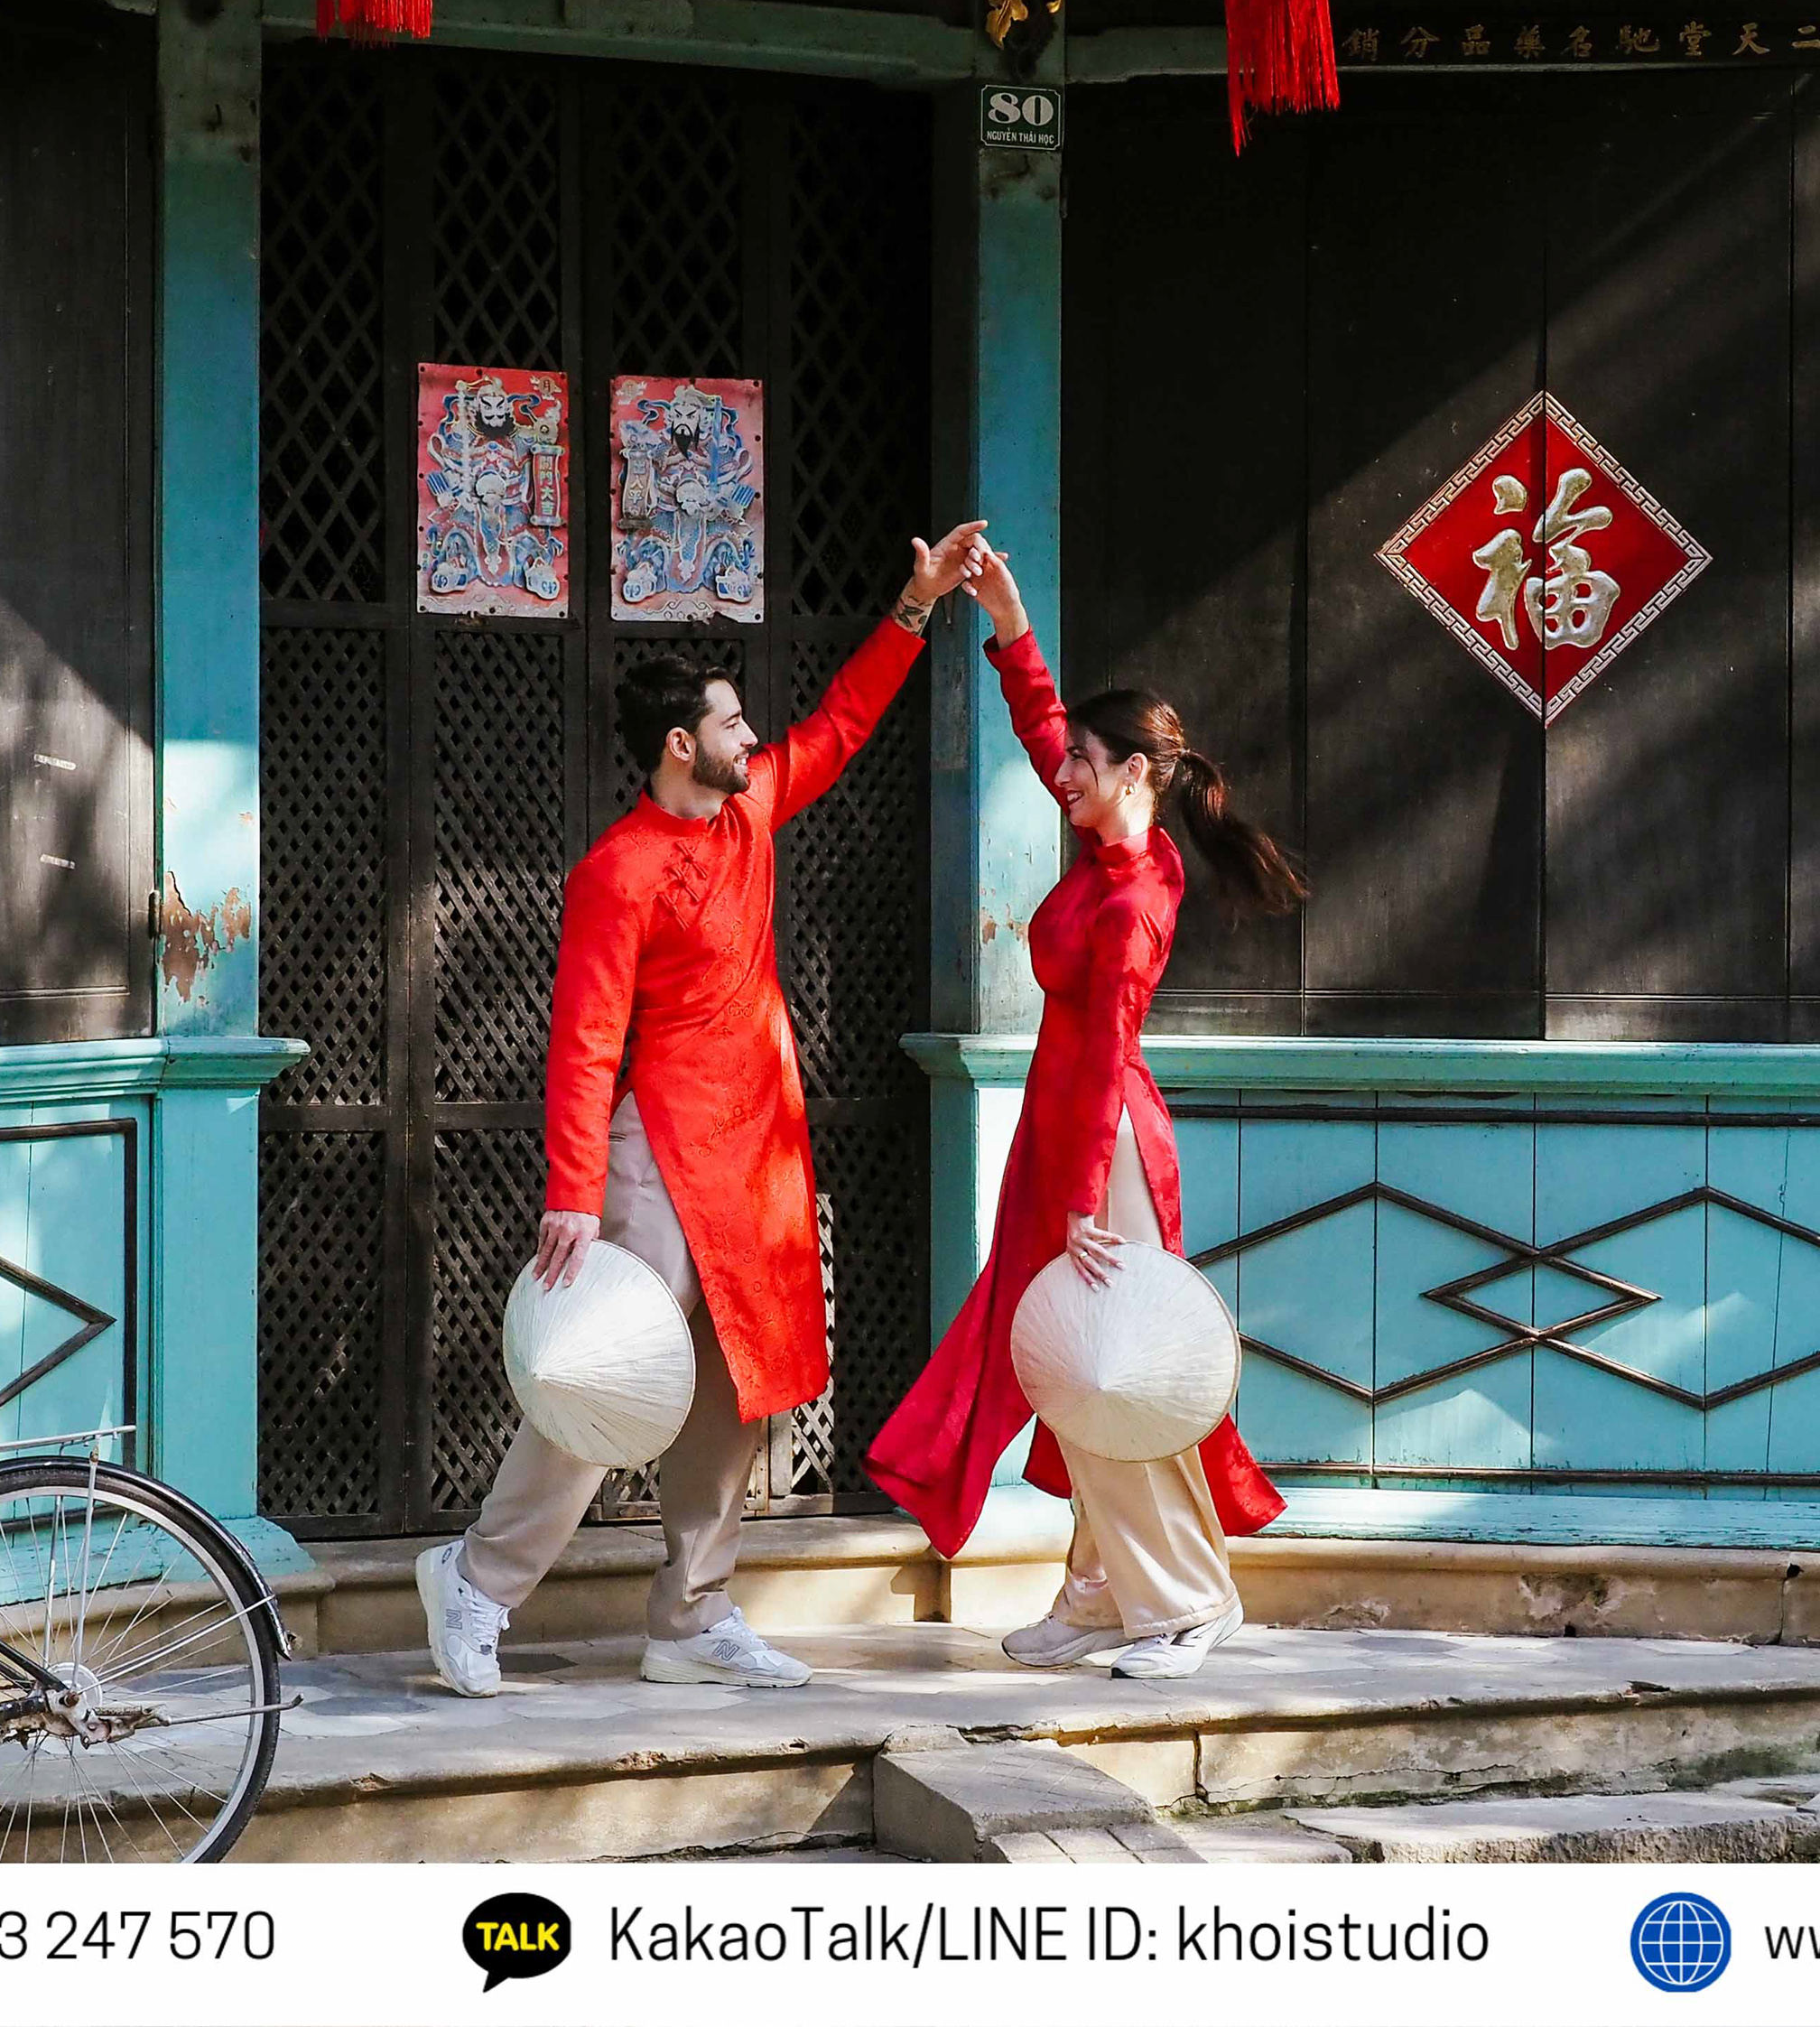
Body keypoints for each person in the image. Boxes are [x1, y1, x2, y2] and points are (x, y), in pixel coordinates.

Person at [417, 520, 992, 1697]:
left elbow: (839, 727)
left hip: (761, 1151)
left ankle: (691, 1618)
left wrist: (916, 603)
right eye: (734, 725)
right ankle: (475, 1583)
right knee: (605, 1369)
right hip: (658, 1146)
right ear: (684, 745)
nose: (755, 739)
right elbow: (583, 1046)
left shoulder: (750, 816)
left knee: (743, 1378)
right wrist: (575, 1196)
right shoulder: (616, 873)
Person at [864, 544, 1305, 1678]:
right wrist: (1006, 615)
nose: (1063, 774)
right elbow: (1043, 719)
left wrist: (1071, 1206)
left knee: (1111, 1368)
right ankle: (1099, 1591)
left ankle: (1188, 1601)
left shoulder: (1135, 898)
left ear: (1135, 777)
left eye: (1084, 766)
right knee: (1071, 1364)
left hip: (1098, 1149)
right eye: (1069, 764)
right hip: (1064, 1140)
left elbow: (1108, 1057)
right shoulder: (1112, 844)